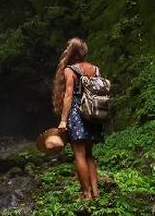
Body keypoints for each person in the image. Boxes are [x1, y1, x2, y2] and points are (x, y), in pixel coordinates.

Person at [52, 37, 103, 200]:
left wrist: (63, 120)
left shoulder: (70, 70)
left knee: (79, 154)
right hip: (93, 113)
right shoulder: (95, 69)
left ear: (71, 52)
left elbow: (68, 96)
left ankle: (86, 194)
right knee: (89, 154)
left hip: (77, 113)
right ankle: (96, 193)